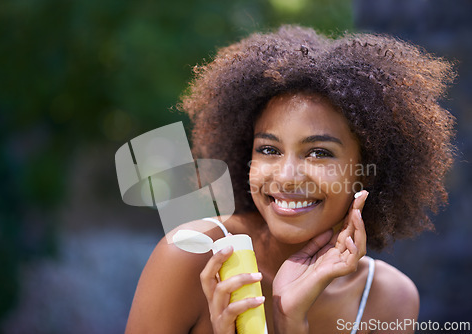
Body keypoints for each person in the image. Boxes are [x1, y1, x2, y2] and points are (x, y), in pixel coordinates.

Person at [125, 25, 456, 333]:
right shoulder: (192, 257)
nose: (286, 177)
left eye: (319, 153)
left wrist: (291, 322)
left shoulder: (387, 300)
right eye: (269, 149)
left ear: (365, 170)